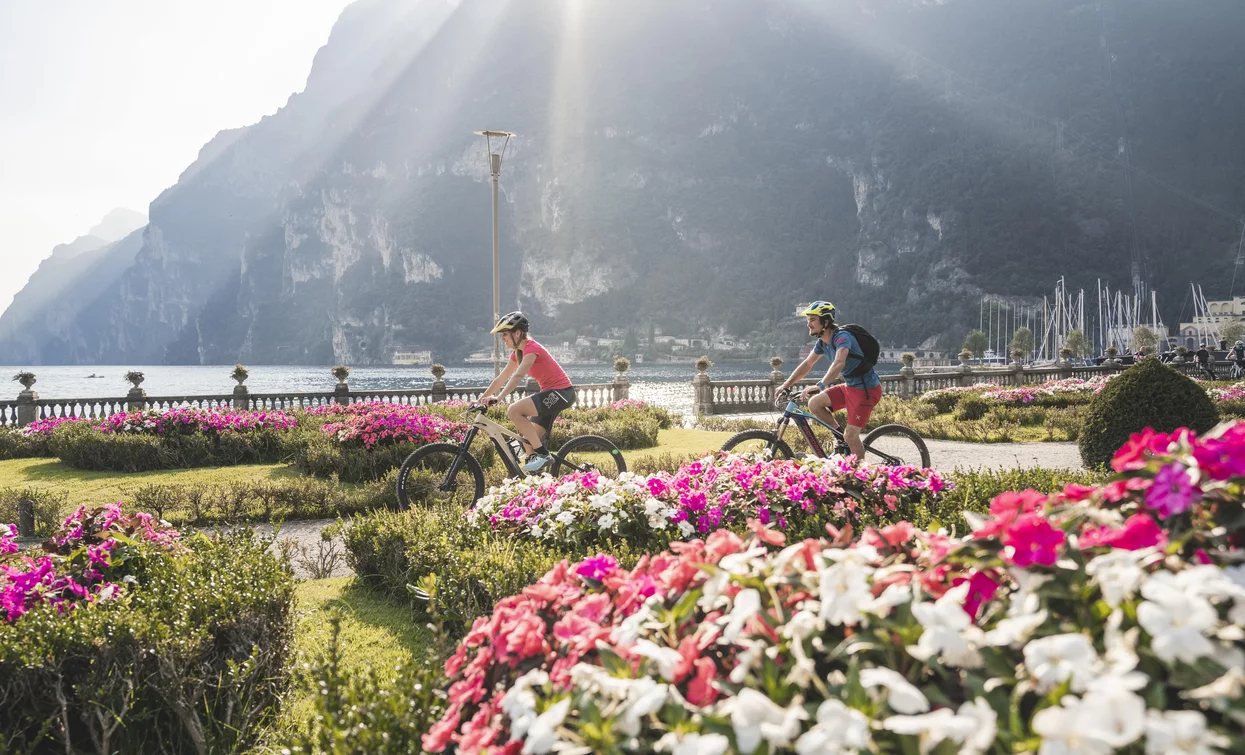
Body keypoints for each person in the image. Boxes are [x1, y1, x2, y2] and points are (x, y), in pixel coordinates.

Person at [776, 301, 880, 459]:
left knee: (851, 435)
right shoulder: (822, 342)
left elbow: (839, 362)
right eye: (808, 320)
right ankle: (840, 438)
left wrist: (820, 385)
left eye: (812, 320)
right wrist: (786, 384)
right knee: (814, 403)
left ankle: (859, 478)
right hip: (850, 387)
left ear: (825, 322)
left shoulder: (842, 337)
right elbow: (807, 363)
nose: (808, 324)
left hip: (866, 391)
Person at [479, 311, 576, 473]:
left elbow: (518, 376)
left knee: (514, 410)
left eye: (505, 335)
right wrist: (480, 399)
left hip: (561, 393)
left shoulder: (532, 348)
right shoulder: (517, 354)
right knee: (528, 441)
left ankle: (543, 455)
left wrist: (500, 398)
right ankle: (538, 481)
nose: (503, 339)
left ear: (517, 333)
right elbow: (500, 379)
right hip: (551, 395)